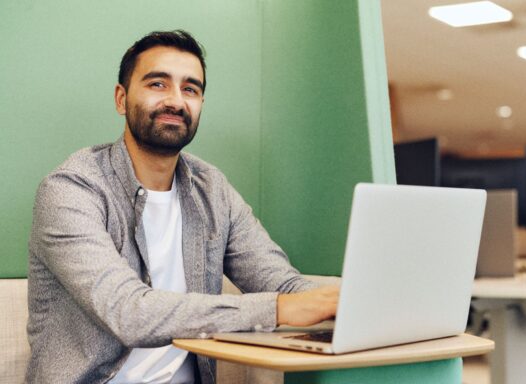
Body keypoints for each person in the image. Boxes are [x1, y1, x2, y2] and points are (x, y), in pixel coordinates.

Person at [26, 30, 339, 384]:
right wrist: (280, 309)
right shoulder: (71, 189)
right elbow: (127, 312)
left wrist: (341, 301)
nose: (176, 101)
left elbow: (278, 281)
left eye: (190, 89)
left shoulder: (212, 190)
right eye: (158, 84)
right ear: (121, 98)